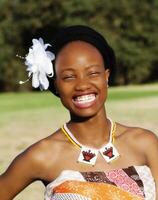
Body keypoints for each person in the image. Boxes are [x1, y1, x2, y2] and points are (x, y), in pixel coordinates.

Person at [0, 25, 158, 200]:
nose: (82, 85)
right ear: (56, 85)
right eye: (69, 77)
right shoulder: (43, 155)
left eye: (92, 73)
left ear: (106, 77)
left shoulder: (145, 143)